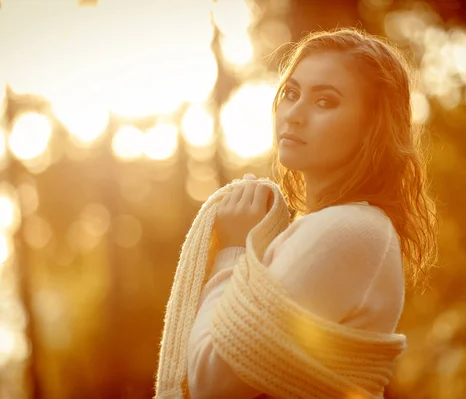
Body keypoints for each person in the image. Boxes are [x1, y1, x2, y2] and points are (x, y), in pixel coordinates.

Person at [186, 27, 439, 398]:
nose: (295, 114)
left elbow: (212, 380)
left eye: (325, 102)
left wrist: (234, 251)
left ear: (373, 127)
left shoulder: (350, 228)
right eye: (291, 93)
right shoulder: (323, 227)